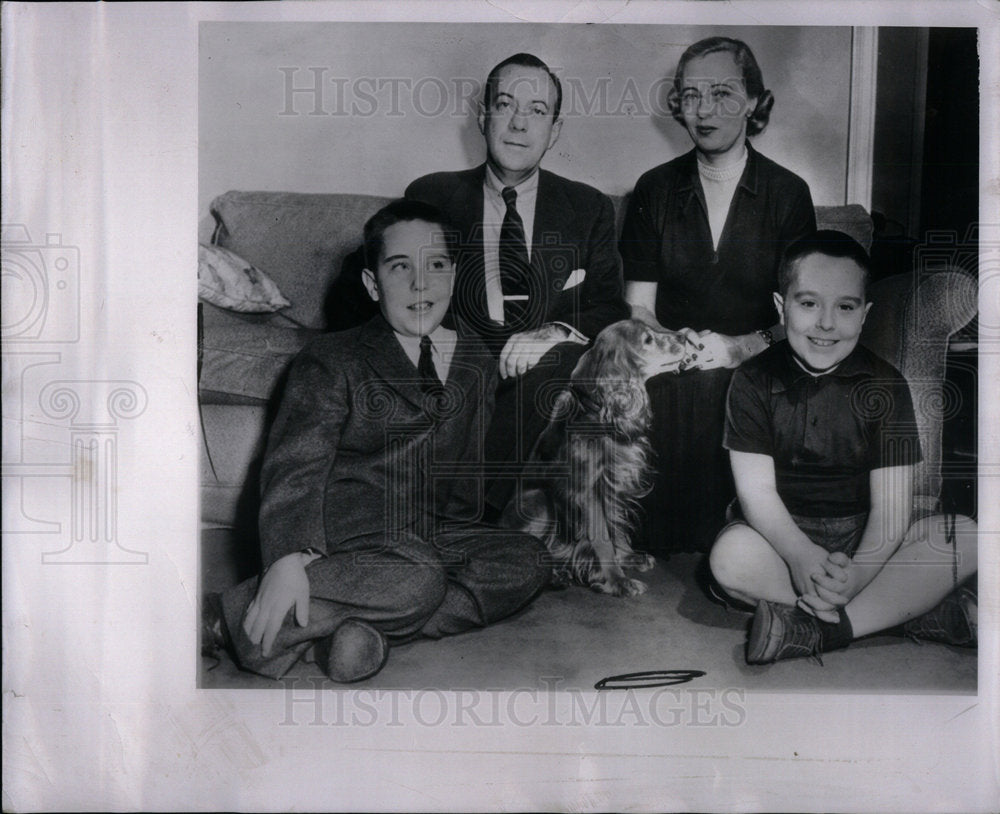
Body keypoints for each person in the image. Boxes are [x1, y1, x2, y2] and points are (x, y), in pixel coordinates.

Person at [202, 200, 549, 682]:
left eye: (436, 266)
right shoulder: (333, 359)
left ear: (455, 275)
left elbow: (468, 468)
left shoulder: (475, 359)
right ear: (372, 284)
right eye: (400, 267)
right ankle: (228, 617)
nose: (420, 283)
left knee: (525, 560)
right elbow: (295, 467)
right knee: (419, 578)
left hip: (427, 530)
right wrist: (288, 559)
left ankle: (349, 629)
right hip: (345, 529)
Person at [709, 231, 978, 664]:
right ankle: (904, 613)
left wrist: (858, 574)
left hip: (868, 536)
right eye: (809, 303)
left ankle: (824, 630)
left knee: (968, 536)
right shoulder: (753, 381)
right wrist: (799, 556)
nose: (827, 323)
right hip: (781, 536)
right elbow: (757, 494)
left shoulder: (886, 385)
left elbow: (892, 510)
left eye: (845, 307)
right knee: (728, 560)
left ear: (865, 314)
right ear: (782, 307)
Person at [405, 52, 629, 513]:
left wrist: (552, 331)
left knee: (557, 357)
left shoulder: (588, 208)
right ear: (484, 117)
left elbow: (609, 305)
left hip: (538, 367)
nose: (519, 124)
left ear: (556, 130)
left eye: (537, 111)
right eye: (506, 105)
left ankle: (469, 517)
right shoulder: (431, 196)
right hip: (463, 355)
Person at [620, 36, 816, 554]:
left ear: (753, 101)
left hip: (763, 358)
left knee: (725, 388)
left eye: (723, 93)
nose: (704, 111)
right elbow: (639, 306)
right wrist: (672, 344)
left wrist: (741, 346)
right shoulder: (654, 189)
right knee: (668, 386)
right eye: (690, 95)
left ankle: (731, 547)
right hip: (675, 363)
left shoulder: (788, 193)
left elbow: (803, 314)